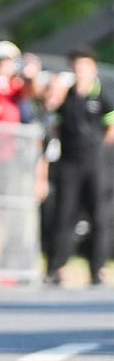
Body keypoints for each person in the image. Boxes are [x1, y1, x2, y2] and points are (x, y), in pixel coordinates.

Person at [44, 47, 114, 287]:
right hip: (69, 162)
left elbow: (111, 126)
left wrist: (98, 149)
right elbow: (53, 120)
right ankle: (55, 267)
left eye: (84, 65)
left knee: (99, 216)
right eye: (76, 65)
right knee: (64, 214)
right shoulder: (67, 95)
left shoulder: (103, 94)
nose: (80, 70)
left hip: (95, 162)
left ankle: (97, 269)